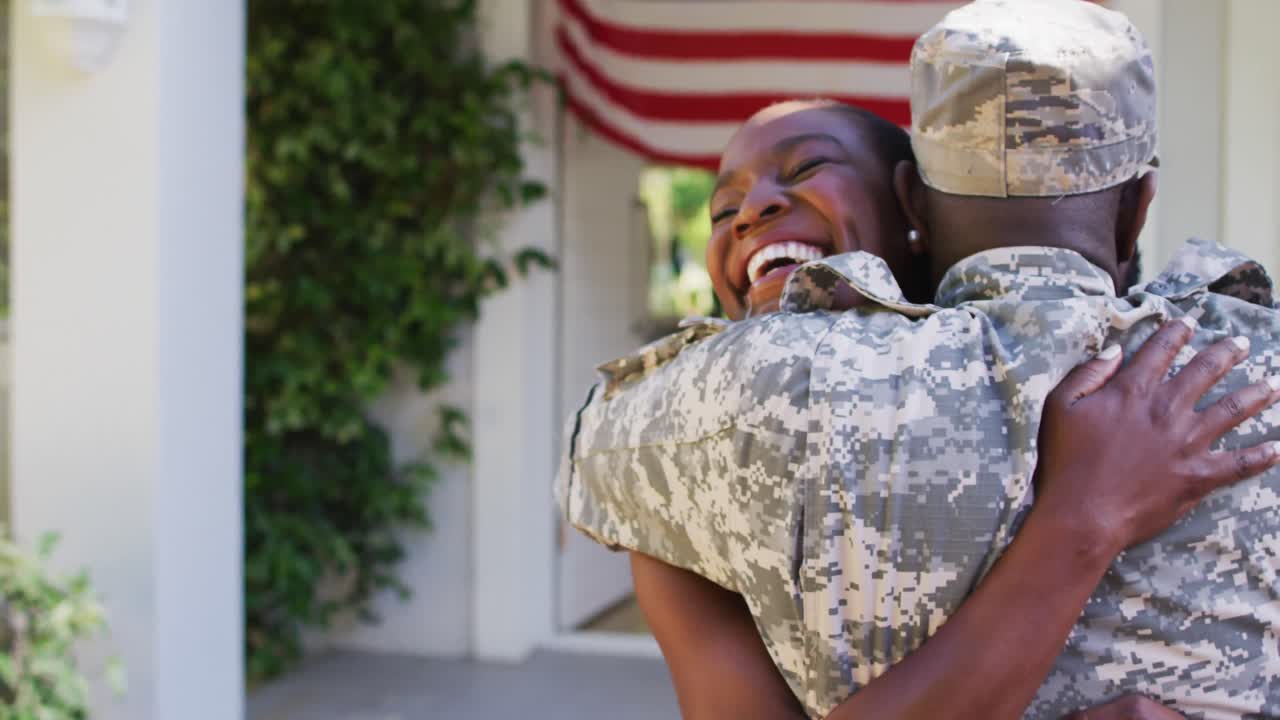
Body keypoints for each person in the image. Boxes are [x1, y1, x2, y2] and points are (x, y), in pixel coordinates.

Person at [556, 1, 1280, 718]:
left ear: (916, 214)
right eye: (721, 212)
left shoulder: (672, 441)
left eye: (807, 167)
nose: (749, 215)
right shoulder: (691, 462)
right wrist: (1081, 517)